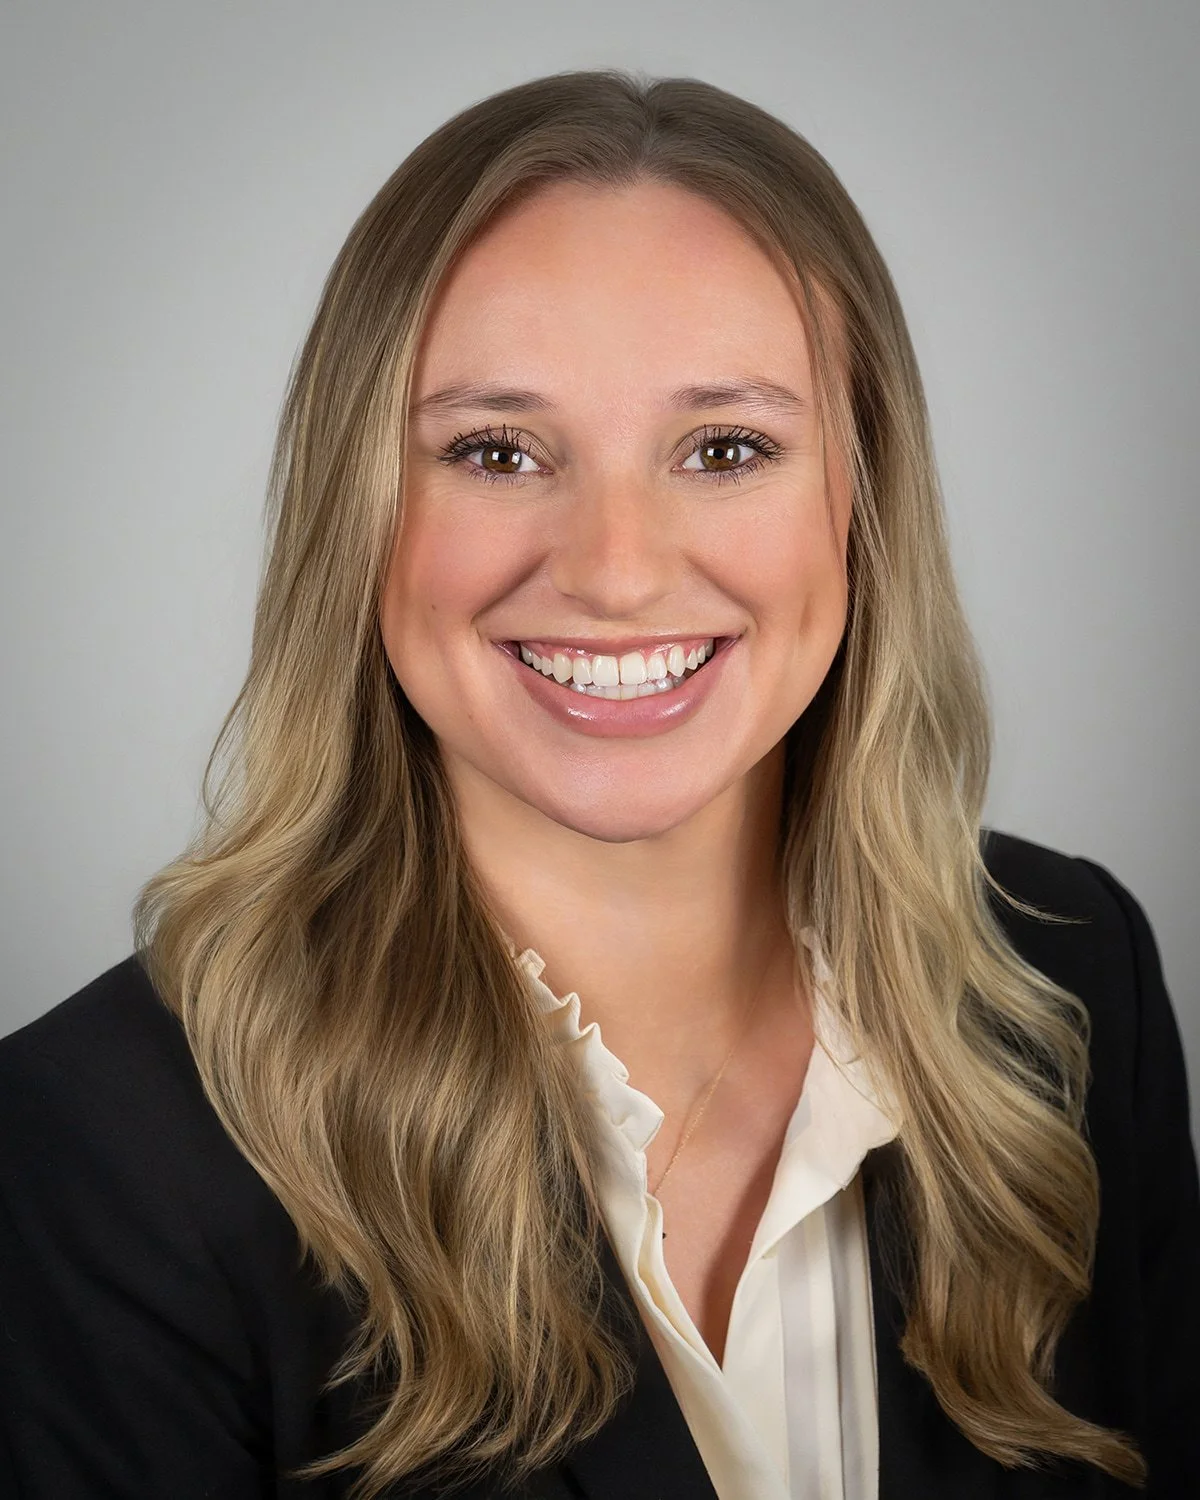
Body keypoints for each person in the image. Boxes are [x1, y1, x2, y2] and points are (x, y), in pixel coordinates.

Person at [0, 67, 1196, 1500]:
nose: (617, 569)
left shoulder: (1068, 983)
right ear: (359, 515)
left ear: (866, 505)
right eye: (497, 452)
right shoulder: (99, 1149)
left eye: (726, 448)